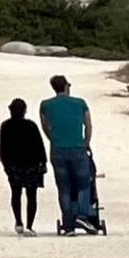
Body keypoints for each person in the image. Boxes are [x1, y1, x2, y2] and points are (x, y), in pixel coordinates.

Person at [41, 73, 104, 235]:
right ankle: (82, 216)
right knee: (83, 184)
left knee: (64, 188)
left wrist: (53, 139)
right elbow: (88, 125)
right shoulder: (80, 103)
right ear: (66, 86)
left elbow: (45, 126)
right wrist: (86, 143)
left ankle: (68, 224)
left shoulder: (45, 105)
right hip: (77, 148)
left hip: (57, 150)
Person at [0, 95, 47, 233]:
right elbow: (39, 145)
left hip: (14, 165)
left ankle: (18, 221)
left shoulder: (5, 126)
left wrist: (5, 165)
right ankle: (30, 225)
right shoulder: (31, 125)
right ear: (25, 111)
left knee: (16, 193)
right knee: (31, 195)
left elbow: (3, 148)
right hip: (31, 165)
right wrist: (43, 163)